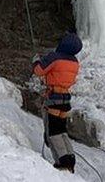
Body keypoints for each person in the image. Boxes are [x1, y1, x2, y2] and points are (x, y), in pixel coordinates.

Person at [32, 32, 82, 173]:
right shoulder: (75, 62)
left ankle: (63, 161)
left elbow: (39, 71)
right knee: (61, 130)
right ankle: (70, 158)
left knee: (53, 132)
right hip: (65, 99)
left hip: (54, 97)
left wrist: (36, 61)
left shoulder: (55, 57)